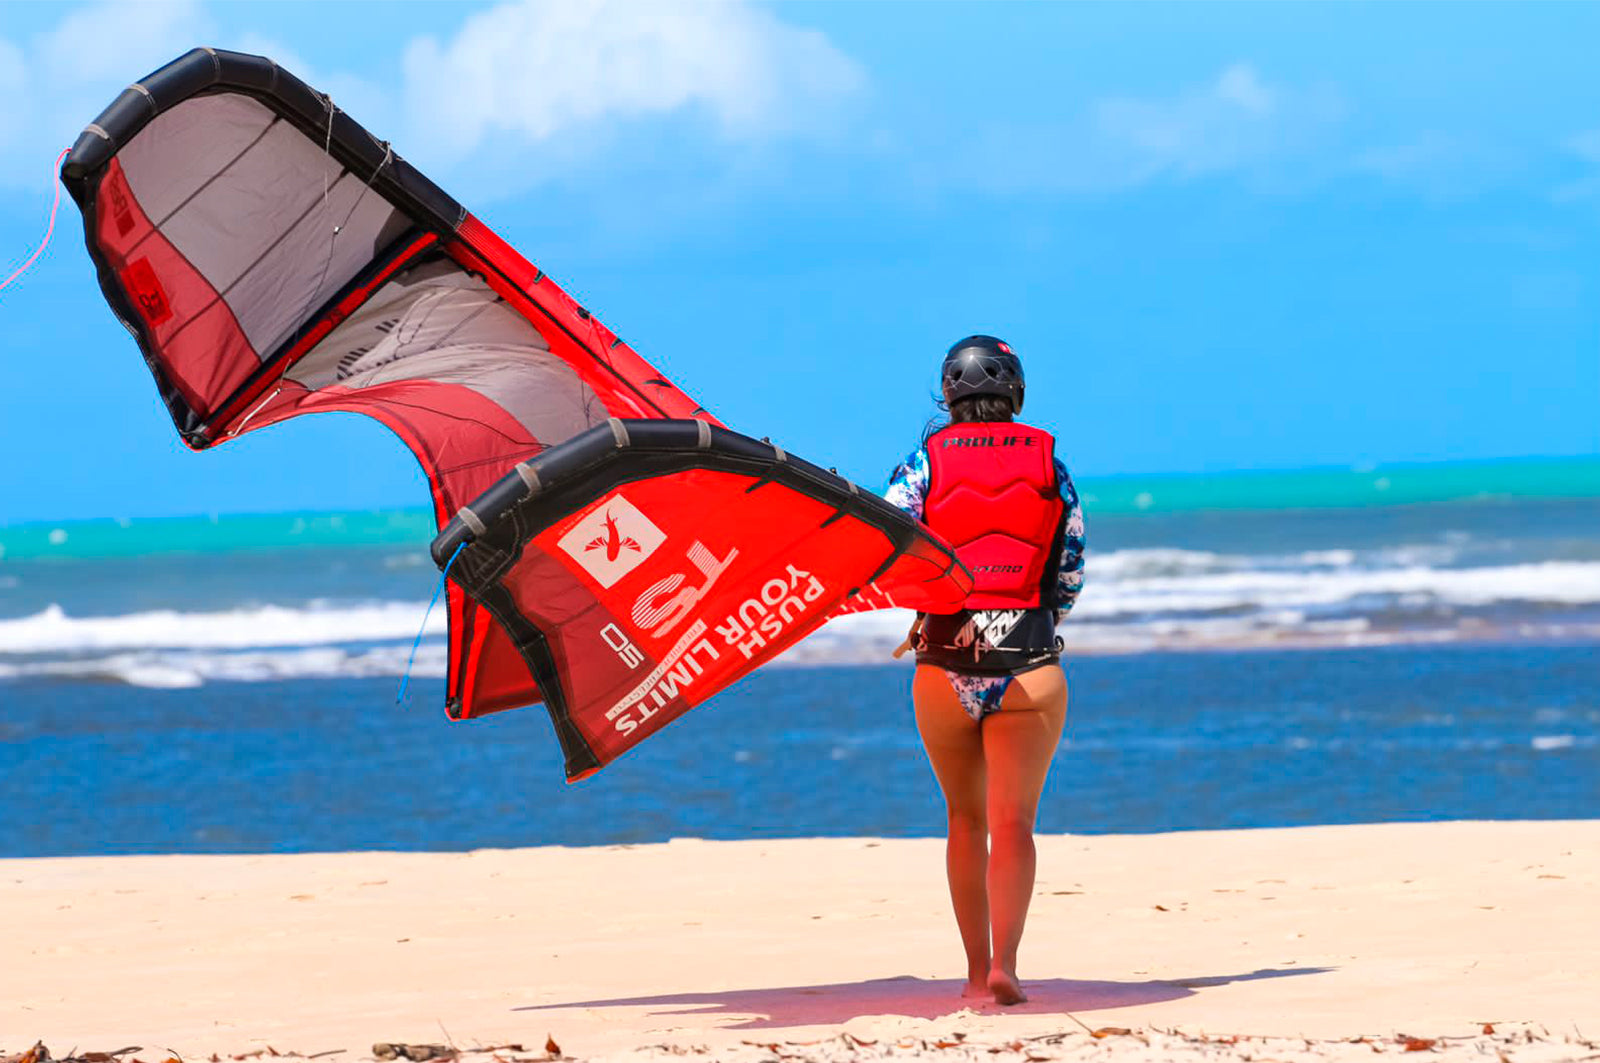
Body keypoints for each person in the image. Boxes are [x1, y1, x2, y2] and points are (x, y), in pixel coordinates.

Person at [884, 335, 1085, 1006]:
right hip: (1030, 664)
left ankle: (973, 974)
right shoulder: (1049, 463)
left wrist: (923, 605)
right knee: (1015, 823)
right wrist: (1042, 613)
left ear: (948, 395)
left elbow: (891, 535)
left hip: (944, 664)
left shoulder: (924, 463)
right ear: (1016, 395)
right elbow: (1070, 566)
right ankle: (1008, 964)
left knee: (964, 820)